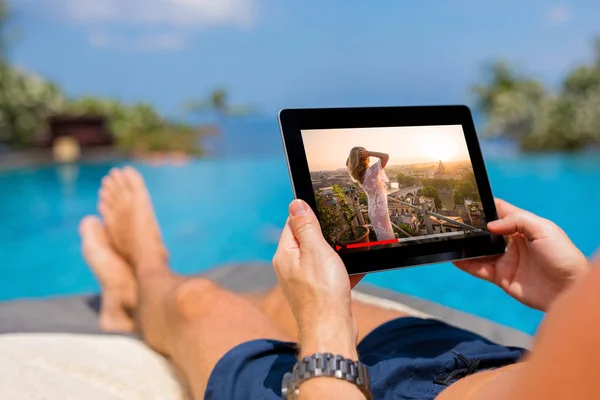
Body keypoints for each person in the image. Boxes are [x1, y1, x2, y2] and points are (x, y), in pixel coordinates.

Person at [83, 166, 595, 399]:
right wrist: (573, 294)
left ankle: (144, 274)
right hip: (481, 366)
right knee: (277, 301)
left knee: (197, 301)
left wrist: (327, 328)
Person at [346, 147, 395, 241]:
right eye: (364, 153)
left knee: (383, 239)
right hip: (380, 211)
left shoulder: (357, 175)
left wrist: (354, 156)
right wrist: (369, 153)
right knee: (388, 240)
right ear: (364, 157)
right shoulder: (371, 172)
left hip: (373, 211)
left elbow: (347, 163)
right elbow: (385, 156)